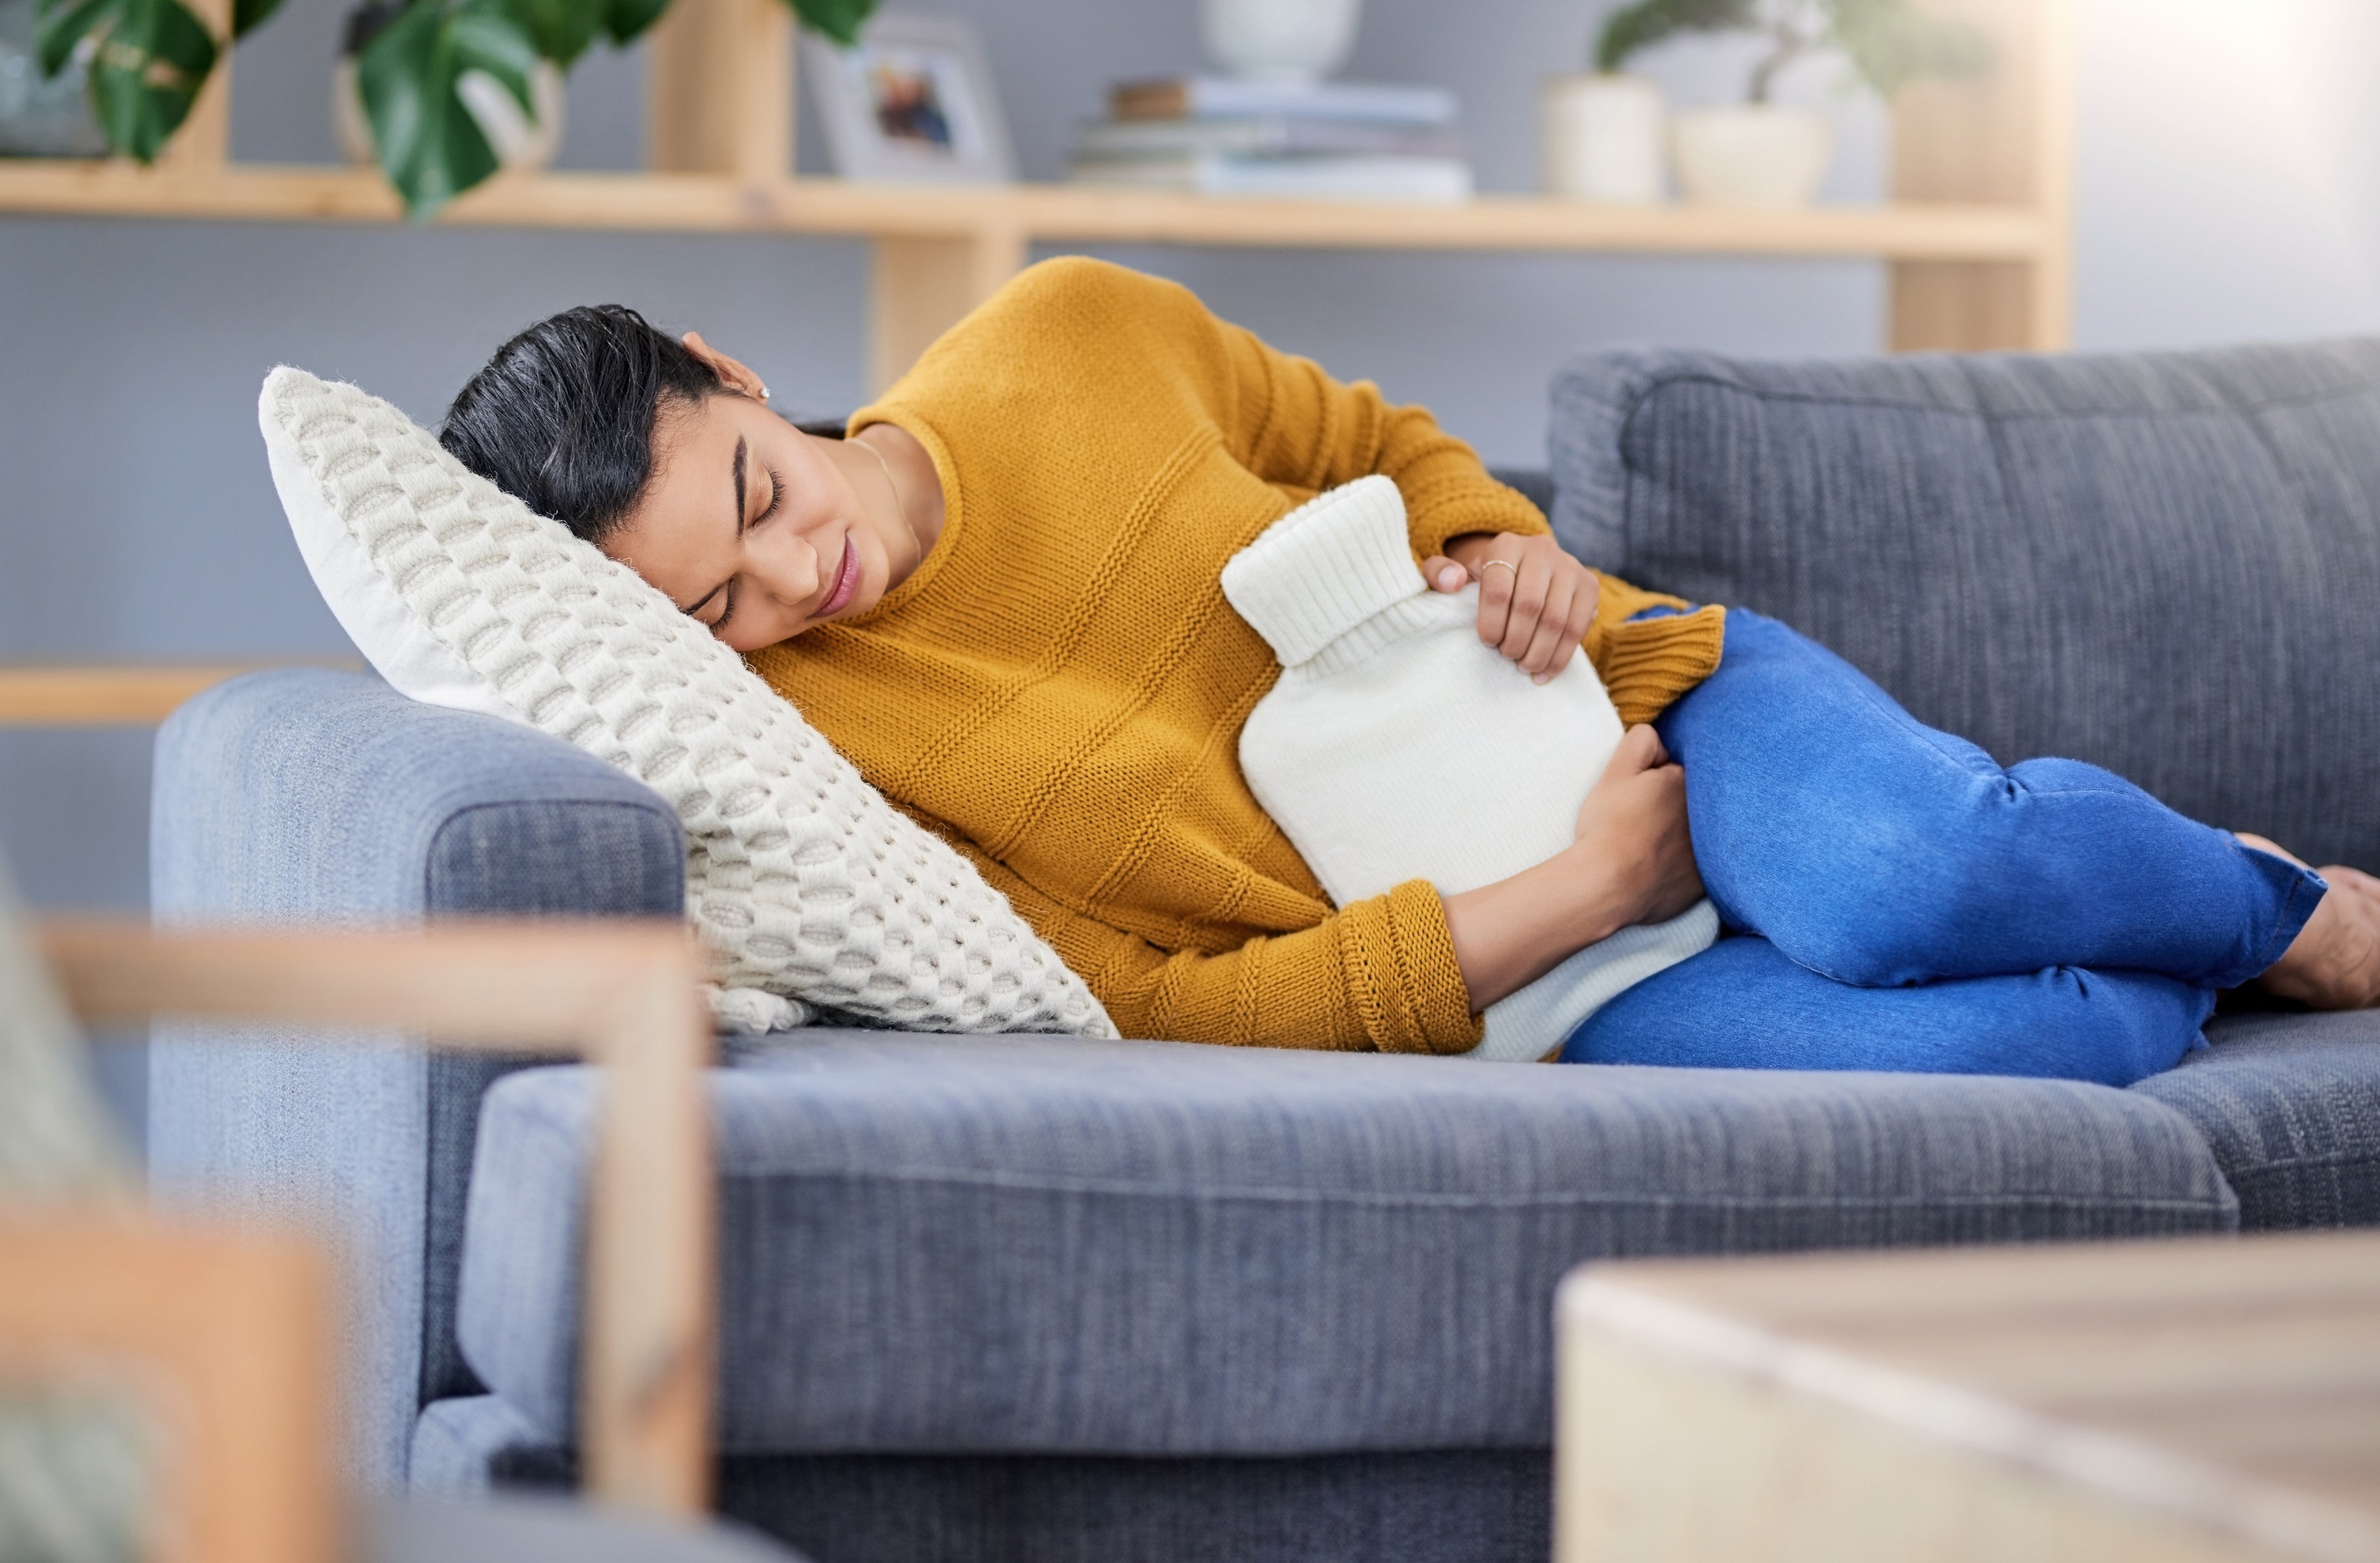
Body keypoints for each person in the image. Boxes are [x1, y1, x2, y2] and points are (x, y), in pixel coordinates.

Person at [438, 258, 2380, 1080]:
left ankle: (2271, 906)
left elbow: (1362, 428)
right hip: (1554, 967)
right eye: (720, 608)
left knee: (1911, 880)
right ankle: (2156, 913)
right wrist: (1579, 899)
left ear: (736, 375)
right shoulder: (829, 749)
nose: (799, 576)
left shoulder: (1061, 333)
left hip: (1644, 700)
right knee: (2032, 1049)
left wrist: (1500, 540)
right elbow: (1159, 1006)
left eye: (759, 496)